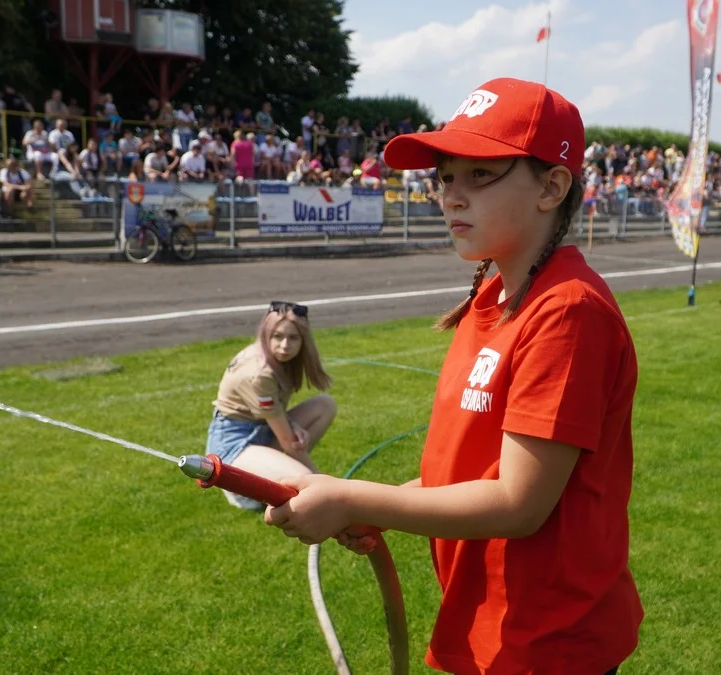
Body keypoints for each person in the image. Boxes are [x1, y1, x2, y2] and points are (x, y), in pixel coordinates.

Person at [263, 77, 642, 674]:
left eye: (481, 174)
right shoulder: (495, 297)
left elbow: (519, 503)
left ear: (552, 186)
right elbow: (470, 473)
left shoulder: (567, 310)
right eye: (445, 177)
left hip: (548, 644)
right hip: (494, 627)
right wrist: (374, 505)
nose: (452, 197)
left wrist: (353, 497)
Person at [206, 301, 337, 512]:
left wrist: (291, 425)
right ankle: (240, 491)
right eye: (278, 336)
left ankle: (272, 474)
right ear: (267, 334)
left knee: (325, 405)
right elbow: (288, 442)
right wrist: (327, 484)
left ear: (304, 340)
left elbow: (277, 417)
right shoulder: (260, 373)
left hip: (261, 427)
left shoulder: (277, 358)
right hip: (234, 444)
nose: (285, 345)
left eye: (293, 338)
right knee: (308, 481)